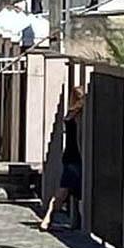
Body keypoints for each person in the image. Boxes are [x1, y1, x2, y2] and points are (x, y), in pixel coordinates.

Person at [40, 86, 84, 231]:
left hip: (72, 156)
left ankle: (72, 221)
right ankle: (48, 219)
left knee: (73, 191)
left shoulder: (72, 113)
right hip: (75, 158)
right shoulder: (75, 113)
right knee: (65, 190)